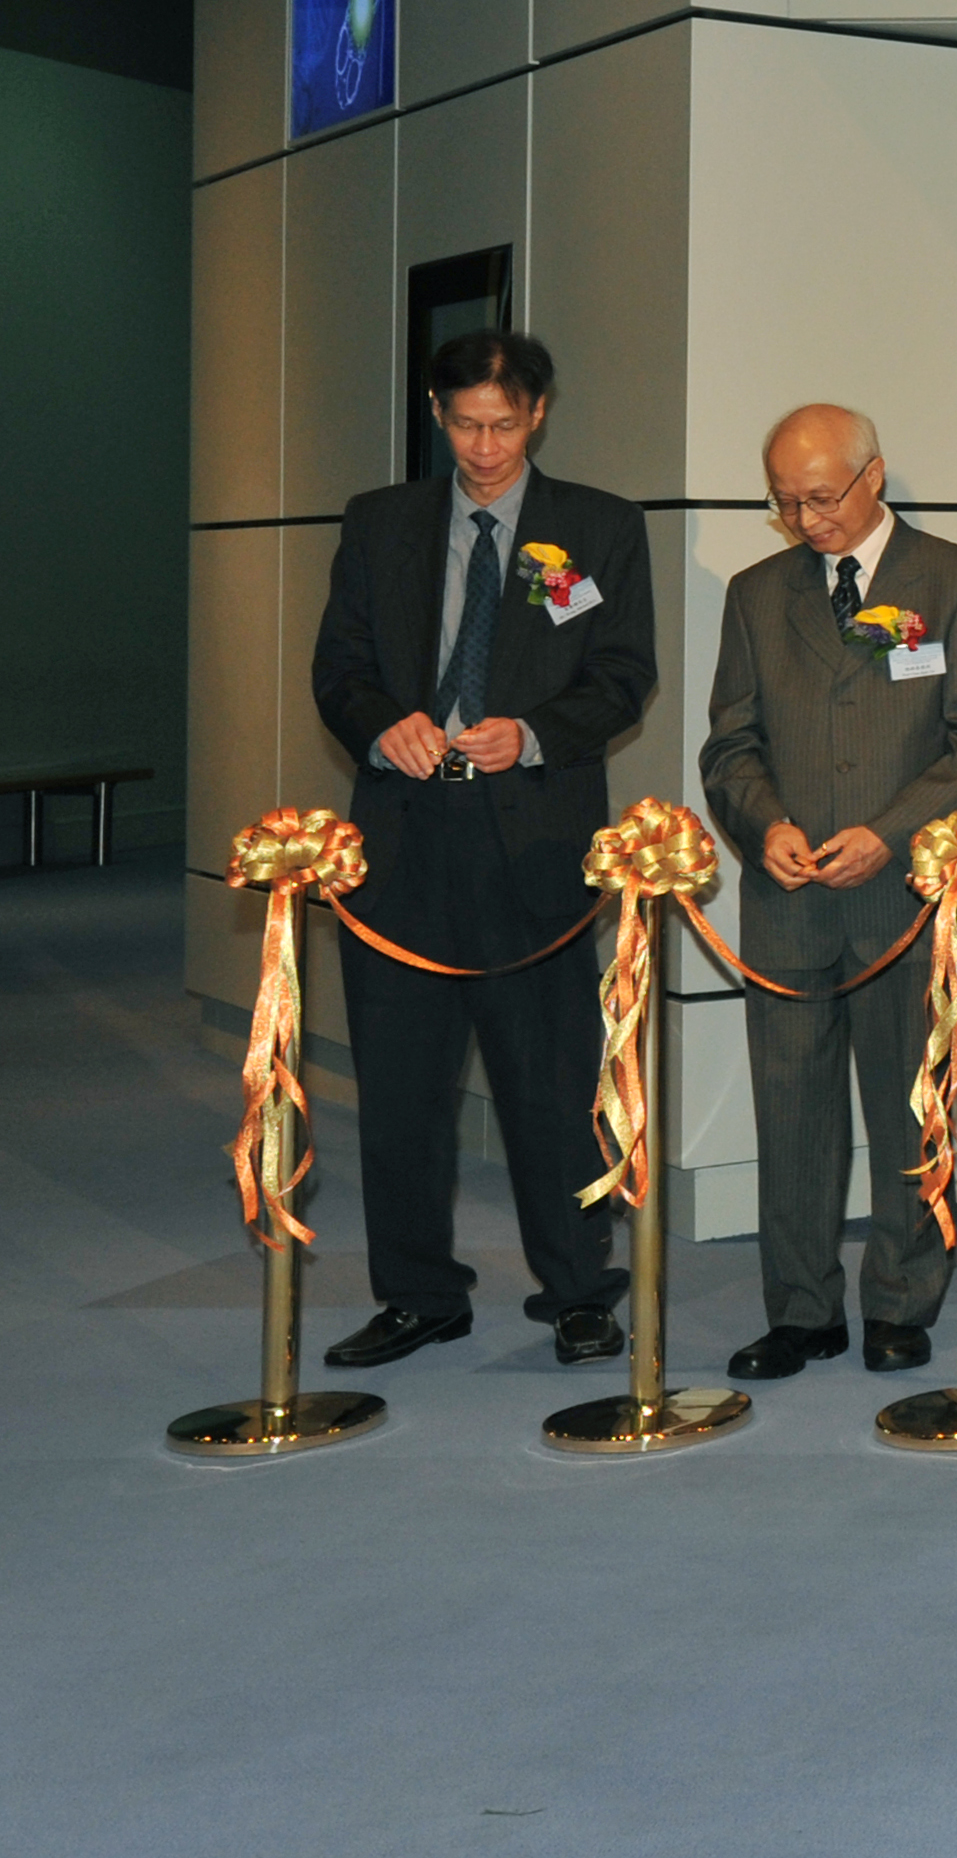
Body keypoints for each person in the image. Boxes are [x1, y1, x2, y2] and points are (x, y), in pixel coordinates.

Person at [303, 330, 657, 1371]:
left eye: (503, 424)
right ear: (435, 412)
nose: (485, 446)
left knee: (548, 1083)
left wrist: (535, 731)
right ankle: (417, 1294)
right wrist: (382, 724)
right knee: (402, 1087)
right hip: (405, 841)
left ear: (538, 413)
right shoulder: (382, 522)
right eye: (464, 424)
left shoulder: (598, 526)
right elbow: (339, 667)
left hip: (535, 838)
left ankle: (580, 1290)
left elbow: (623, 674)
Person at [699, 405, 957, 1382]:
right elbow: (730, 744)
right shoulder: (756, 595)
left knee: (907, 1103)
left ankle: (900, 1300)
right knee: (790, 1112)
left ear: (874, 475)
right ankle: (800, 1310)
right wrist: (765, 825)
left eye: (821, 496)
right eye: (785, 501)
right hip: (787, 898)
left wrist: (887, 834)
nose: (804, 518)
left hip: (903, 896)